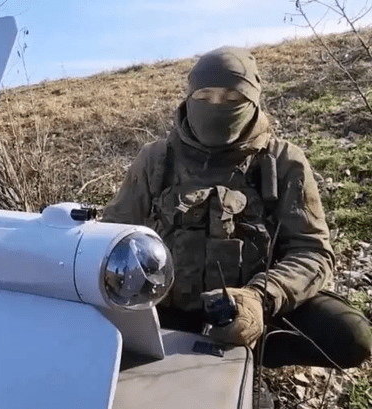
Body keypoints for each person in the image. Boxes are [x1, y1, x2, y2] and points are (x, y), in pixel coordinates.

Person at [102, 46, 372, 369]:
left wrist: (260, 298)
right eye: (205, 95)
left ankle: (244, 359)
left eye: (232, 97)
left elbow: (312, 251)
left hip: (254, 313)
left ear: (253, 100)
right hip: (164, 312)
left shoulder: (283, 161)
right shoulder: (155, 159)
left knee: (350, 335)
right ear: (189, 97)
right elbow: (109, 239)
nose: (217, 105)